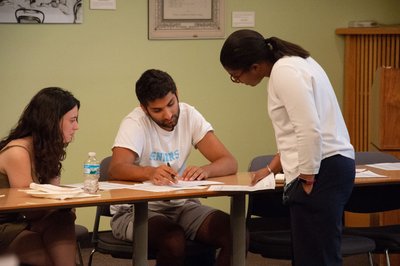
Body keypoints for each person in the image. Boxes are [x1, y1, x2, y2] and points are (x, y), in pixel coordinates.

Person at [220, 29, 355, 266]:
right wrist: (272, 168)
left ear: (254, 66)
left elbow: (309, 129)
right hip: (330, 165)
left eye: (235, 75)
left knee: (317, 258)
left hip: (322, 170)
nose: (237, 81)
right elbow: (295, 134)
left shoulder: (285, 73)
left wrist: (307, 179)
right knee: (314, 254)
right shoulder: (297, 62)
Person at [108, 69, 238, 266]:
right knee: (173, 240)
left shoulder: (189, 115)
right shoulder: (135, 122)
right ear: (144, 108)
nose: (168, 115)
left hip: (182, 205)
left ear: (177, 94)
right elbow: (116, 168)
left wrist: (206, 170)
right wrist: (150, 172)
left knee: (235, 233)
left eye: (171, 104)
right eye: (157, 110)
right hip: (134, 211)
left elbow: (229, 161)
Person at [0, 87, 80, 266]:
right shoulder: (18, 152)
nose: (76, 127)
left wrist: (63, 204)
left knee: (63, 218)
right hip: (6, 225)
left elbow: (50, 196)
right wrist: (64, 202)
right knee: (53, 257)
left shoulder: (46, 148)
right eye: (72, 120)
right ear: (52, 121)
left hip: (23, 223)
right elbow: (29, 209)